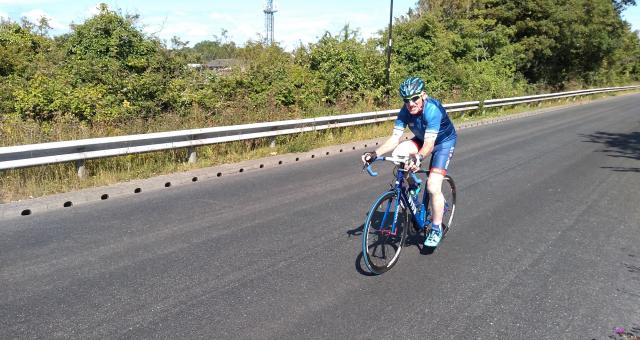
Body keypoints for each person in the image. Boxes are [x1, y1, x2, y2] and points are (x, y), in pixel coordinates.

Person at [361, 76, 457, 248]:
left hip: (442, 143)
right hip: (422, 139)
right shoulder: (405, 111)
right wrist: (374, 154)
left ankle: (436, 228)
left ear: (423, 96)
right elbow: (394, 139)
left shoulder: (432, 110)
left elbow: (429, 145)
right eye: (406, 100)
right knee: (398, 155)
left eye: (414, 98)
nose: (411, 103)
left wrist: (418, 158)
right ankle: (413, 184)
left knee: (433, 186)